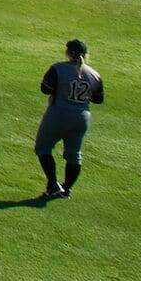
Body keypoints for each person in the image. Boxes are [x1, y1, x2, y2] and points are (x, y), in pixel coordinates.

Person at [35, 39, 104, 200]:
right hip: (82, 117)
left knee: (43, 147)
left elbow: (45, 89)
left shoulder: (58, 68)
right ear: (85, 55)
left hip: (58, 114)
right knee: (74, 155)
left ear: (68, 53)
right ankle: (66, 189)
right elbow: (98, 99)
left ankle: (53, 185)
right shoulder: (94, 74)